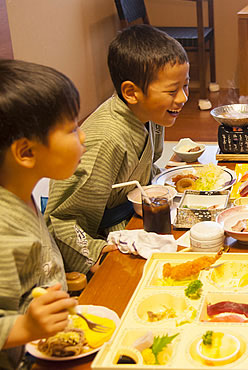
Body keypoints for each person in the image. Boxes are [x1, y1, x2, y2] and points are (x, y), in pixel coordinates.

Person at [45, 24, 190, 275]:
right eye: (172, 91)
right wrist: (96, 252)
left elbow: (142, 168)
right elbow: (60, 220)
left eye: (185, 86)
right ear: (131, 92)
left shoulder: (148, 113)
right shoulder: (106, 140)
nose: (183, 98)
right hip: (107, 240)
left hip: (139, 218)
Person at [0, 60, 82, 368]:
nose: (83, 138)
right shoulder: (4, 230)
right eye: (73, 128)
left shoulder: (21, 195)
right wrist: (25, 327)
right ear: (26, 152)